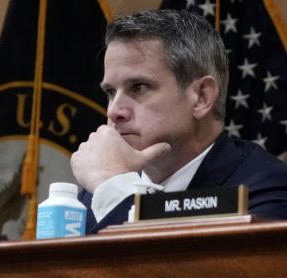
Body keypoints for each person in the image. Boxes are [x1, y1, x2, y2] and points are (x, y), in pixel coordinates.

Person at [71, 9, 287, 233]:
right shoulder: (98, 189)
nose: (114, 111)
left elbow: (172, 266)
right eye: (110, 92)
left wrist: (111, 186)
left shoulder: (268, 189)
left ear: (202, 97)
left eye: (138, 87)